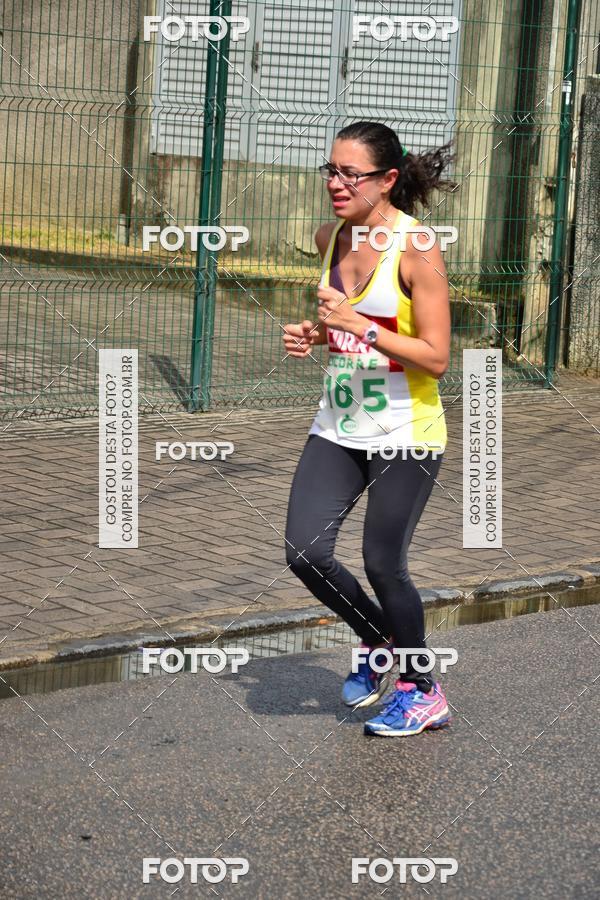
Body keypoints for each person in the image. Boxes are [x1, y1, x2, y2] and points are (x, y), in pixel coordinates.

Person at [282, 121, 455, 737]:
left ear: (387, 180)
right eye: (330, 170)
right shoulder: (329, 237)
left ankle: (423, 691)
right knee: (305, 551)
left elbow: (436, 356)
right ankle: (379, 638)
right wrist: (316, 334)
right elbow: (345, 330)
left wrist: (361, 326)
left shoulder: (417, 248)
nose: (335, 183)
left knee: (383, 563)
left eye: (350, 174)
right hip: (338, 422)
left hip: (406, 431)